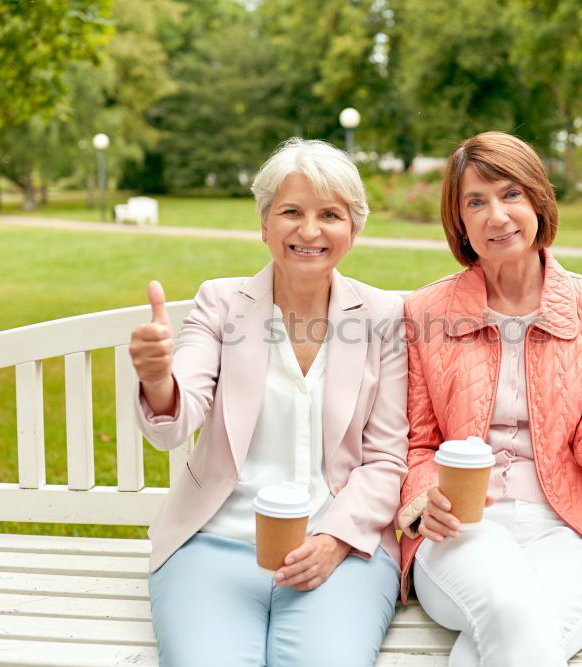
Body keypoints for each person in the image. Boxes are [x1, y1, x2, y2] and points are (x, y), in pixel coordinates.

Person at [396, 132, 582, 666]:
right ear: (459, 221)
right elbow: (419, 443)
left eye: (511, 195)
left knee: (512, 637)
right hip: (462, 528)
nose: (496, 216)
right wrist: (425, 498)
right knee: (510, 611)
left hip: (570, 528)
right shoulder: (425, 311)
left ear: (538, 201)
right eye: (475, 202)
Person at [131, 138, 409, 667]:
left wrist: (333, 541)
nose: (309, 230)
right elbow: (174, 419)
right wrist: (156, 379)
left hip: (343, 552)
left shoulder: (383, 316)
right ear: (264, 225)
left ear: (354, 230)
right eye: (290, 212)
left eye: (330, 214)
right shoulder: (221, 302)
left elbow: (387, 459)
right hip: (212, 544)